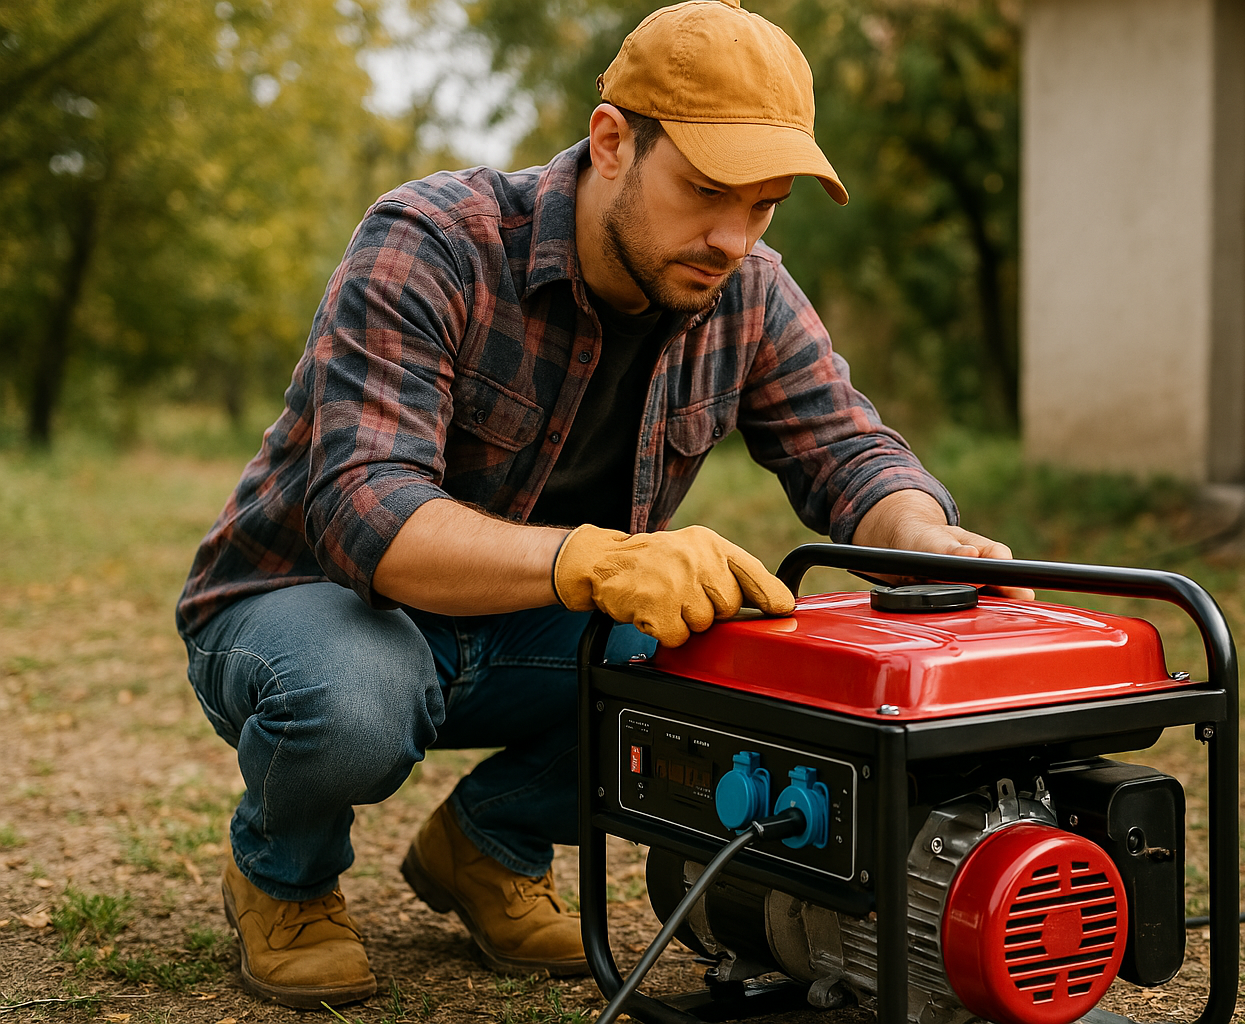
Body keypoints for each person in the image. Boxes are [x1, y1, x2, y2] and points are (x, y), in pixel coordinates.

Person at [175, 0, 1020, 1009]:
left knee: (736, 662)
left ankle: (489, 844)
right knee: (357, 695)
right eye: (707, 191)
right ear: (612, 141)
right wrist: (596, 560)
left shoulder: (745, 287)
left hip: (527, 635)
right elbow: (369, 510)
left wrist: (920, 534)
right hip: (308, 607)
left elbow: (845, 449)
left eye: (763, 205)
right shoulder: (430, 241)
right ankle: (284, 874)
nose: (730, 237)